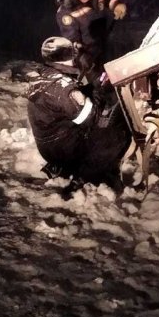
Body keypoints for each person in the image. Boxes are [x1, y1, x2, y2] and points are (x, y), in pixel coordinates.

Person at [26, 36, 131, 200]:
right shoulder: (64, 88)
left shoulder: (45, 74)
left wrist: (95, 86)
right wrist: (102, 92)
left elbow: (70, 100)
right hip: (62, 148)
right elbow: (91, 118)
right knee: (116, 135)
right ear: (71, 56)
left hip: (50, 143)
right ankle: (85, 175)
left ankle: (63, 166)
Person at [55, 0, 127, 77]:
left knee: (113, 73)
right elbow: (71, 38)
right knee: (94, 78)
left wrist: (117, 5)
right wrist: (80, 55)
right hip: (86, 50)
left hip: (103, 40)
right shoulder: (65, 11)